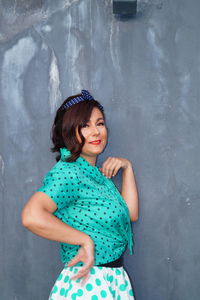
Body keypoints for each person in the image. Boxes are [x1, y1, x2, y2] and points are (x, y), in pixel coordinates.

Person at [21, 89, 139, 300]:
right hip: (88, 284)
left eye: (100, 123)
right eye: (85, 125)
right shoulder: (69, 172)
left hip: (112, 281)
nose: (96, 132)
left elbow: (129, 214)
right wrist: (84, 241)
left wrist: (127, 168)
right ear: (68, 132)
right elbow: (32, 216)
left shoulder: (95, 176)